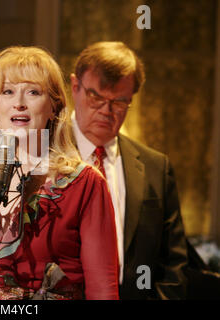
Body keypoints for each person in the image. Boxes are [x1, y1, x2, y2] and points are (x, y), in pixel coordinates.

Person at [0, 46, 119, 300]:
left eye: (33, 92)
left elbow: (103, 290)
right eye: (7, 92)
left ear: (54, 108)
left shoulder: (85, 183)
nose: (19, 103)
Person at [69, 41, 188, 299]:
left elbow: (174, 265)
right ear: (75, 86)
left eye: (120, 102)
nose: (106, 111)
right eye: (96, 97)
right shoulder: (41, 155)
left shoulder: (156, 167)